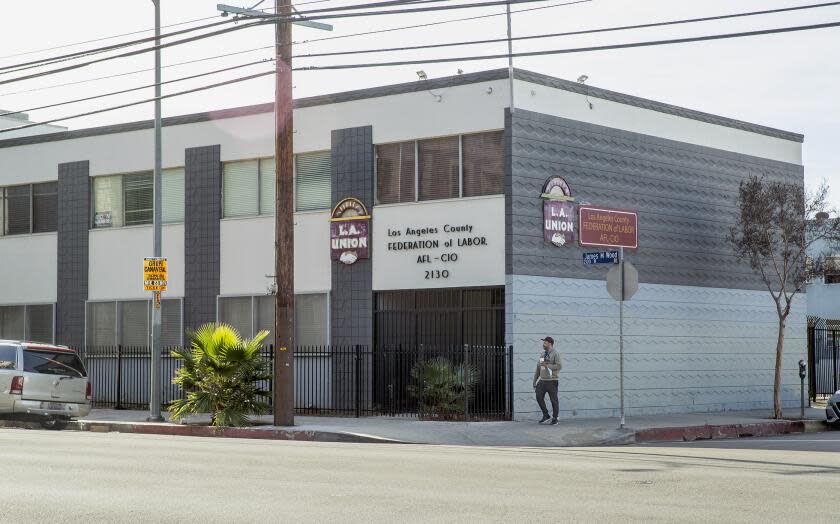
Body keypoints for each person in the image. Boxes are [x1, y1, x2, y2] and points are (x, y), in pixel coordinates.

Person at [533, 336, 562, 424]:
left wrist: (548, 366)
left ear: (549, 344)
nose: (543, 344)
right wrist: (535, 381)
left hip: (552, 381)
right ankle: (546, 415)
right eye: (543, 343)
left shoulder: (555, 353)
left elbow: (559, 366)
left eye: (545, 343)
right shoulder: (543, 354)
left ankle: (555, 418)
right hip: (542, 381)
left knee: (554, 400)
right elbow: (540, 368)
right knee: (538, 397)